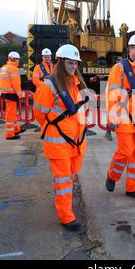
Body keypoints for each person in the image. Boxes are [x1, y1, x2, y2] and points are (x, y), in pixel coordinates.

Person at [33, 44, 89, 232]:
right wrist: (55, 128)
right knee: (63, 180)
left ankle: (62, 203)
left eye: (75, 63)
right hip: (59, 142)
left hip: (75, 141)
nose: (73, 66)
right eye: (70, 63)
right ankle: (66, 217)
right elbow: (39, 113)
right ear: (60, 62)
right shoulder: (48, 85)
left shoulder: (75, 82)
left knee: (71, 175)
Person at [105, 34, 135, 200]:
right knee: (125, 151)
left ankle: (133, 187)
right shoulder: (119, 69)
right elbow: (112, 94)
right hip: (124, 118)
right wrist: (112, 118)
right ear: (129, 49)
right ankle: (112, 175)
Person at [0, 51, 26, 140]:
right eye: (18, 59)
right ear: (13, 59)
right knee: (10, 115)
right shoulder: (13, 69)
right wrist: (21, 96)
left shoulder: (4, 67)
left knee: (12, 113)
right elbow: (16, 84)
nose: (19, 61)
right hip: (11, 94)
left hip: (5, 93)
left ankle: (16, 129)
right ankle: (10, 134)